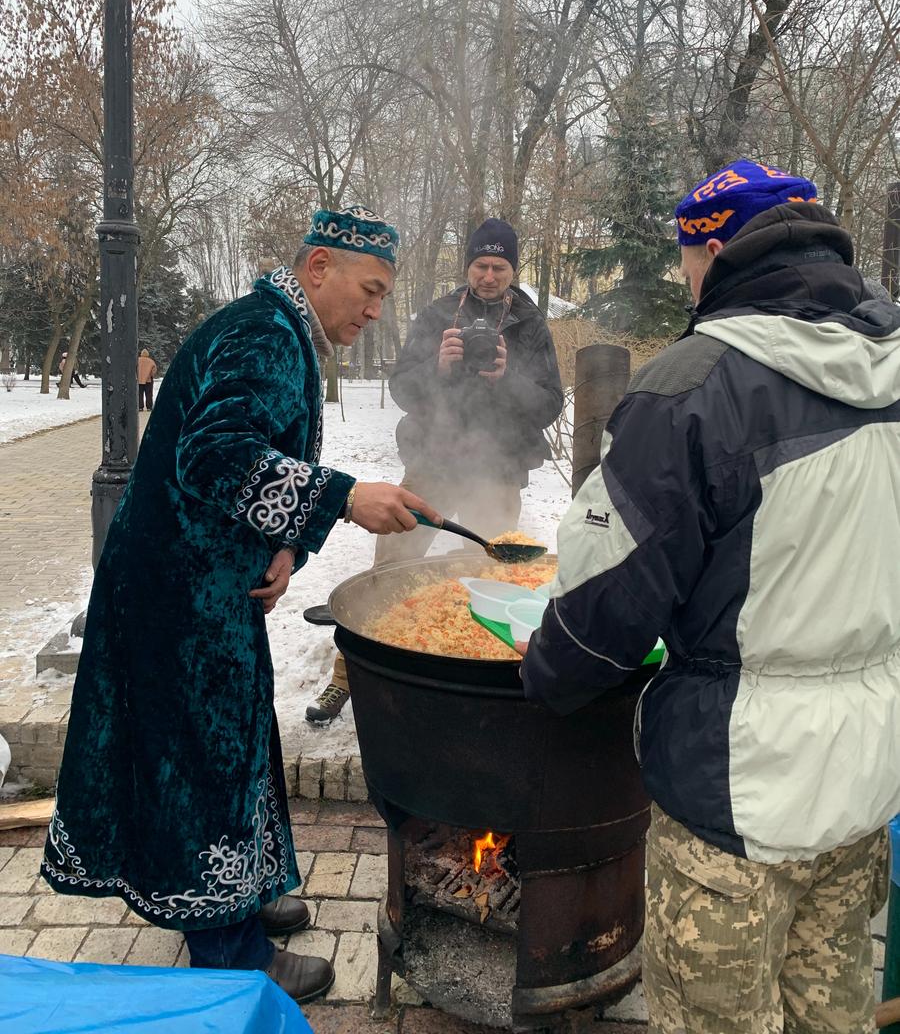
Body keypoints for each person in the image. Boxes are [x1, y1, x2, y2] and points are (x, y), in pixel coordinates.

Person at [520, 160, 900, 1033]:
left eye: (686, 261)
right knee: (830, 1018)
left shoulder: (695, 386)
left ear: (714, 248)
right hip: (864, 784)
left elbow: (604, 601)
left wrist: (547, 677)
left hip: (738, 800)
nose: (687, 282)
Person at [41, 205, 440, 1004]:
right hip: (175, 600)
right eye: (369, 290)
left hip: (203, 589)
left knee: (236, 744)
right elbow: (216, 455)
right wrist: (345, 497)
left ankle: (245, 892)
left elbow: (247, 465)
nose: (374, 311)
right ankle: (231, 955)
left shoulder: (278, 331)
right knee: (203, 763)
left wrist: (287, 543)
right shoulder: (263, 335)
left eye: (384, 298)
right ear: (318, 267)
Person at [305, 217, 564, 725]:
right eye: (481, 265)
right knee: (387, 572)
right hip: (432, 464)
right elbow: (403, 387)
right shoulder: (439, 313)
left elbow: (551, 401)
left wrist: (507, 377)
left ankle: (471, 689)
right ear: (468, 265)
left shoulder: (531, 323)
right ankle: (347, 678)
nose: (489, 276)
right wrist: (440, 368)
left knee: (492, 576)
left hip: (498, 469)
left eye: (500, 266)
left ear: (514, 268)